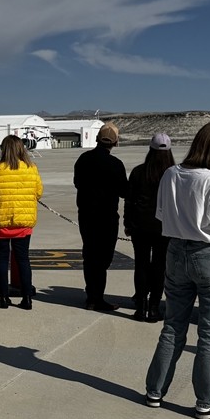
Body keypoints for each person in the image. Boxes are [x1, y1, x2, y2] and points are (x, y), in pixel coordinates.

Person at [144, 122, 210, 419]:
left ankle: (155, 390)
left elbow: (161, 214)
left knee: (173, 325)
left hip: (175, 251)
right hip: (209, 254)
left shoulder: (171, 173)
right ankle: (205, 401)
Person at [0, 135, 43, 310]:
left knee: (1, 259)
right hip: (23, 222)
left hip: (1, 221)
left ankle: (3, 297)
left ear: (3, 149)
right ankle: (27, 298)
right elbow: (38, 193)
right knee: (23, 259)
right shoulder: (31, 168)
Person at [73, 122, 128, 311]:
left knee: (90, 255)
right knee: (103, 259)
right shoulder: (115, 164)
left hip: (87, 216)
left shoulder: (83, 159)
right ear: (115, 143)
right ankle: (97, 298)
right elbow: (124, 191)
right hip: (106, 218)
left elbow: (77, 183)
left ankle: (92, 296)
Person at [124, 133, 174, 322]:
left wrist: (128, 224)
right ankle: (154, 307)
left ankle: (141, 306)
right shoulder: (174, 173)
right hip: (165, 227)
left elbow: (129, 201)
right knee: (160, 266)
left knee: (141, 265)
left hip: (141, 226)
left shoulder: (139, 172)